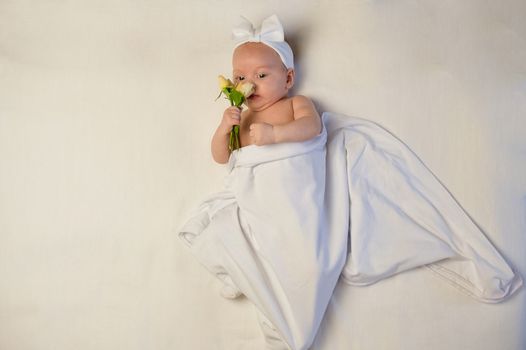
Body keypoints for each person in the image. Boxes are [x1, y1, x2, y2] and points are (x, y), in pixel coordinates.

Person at [211, 15, 322, 164]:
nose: (250, 85)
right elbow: (221, 158)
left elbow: (312, 127)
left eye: (261, 75)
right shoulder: (241, 118)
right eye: (241, 78)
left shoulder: (295, 104)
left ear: (288, 79)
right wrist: (223, 128)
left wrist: (275, 134)